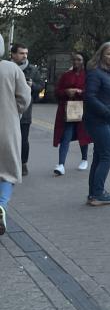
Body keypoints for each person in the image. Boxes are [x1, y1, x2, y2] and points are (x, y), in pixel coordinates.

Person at [0, 33, 32, 236]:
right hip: (6, 126)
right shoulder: (10, 69)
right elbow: (24, 97)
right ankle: (1, 206)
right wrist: (15, 111)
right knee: (8, 170)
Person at [83, 42, 110, 206]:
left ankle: (93, 194)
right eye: (109, 54)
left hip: (108, 121)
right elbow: (89, 97)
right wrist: (107, 112)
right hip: (98, 121)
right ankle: (98, 193)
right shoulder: (95, 73)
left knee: (99, 156)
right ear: (101, 55)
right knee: (108, 155)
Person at [52, 51, 91, 175]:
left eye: (79, 60)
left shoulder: (88, 76)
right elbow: (57, 91)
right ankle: (61, 164)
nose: (76, 62)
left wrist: (79, 92)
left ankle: (84, 159)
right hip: (67, 109)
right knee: (66, 136)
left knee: (82, 135)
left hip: (83, 109)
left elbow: (92, 92)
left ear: (84, 61)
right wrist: (67, 92)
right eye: (74, 60)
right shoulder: (66, 75)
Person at [10, 42, 43, 177]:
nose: (24, 56)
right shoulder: (6, 68)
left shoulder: (32, 70)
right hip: (7, 110)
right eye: (21, 53)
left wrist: (32, 85)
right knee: (7, 139)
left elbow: (40, 86)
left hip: (25, 112)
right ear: (13, 54)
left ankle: (23, 164)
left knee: (23, 139)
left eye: (26, 53)